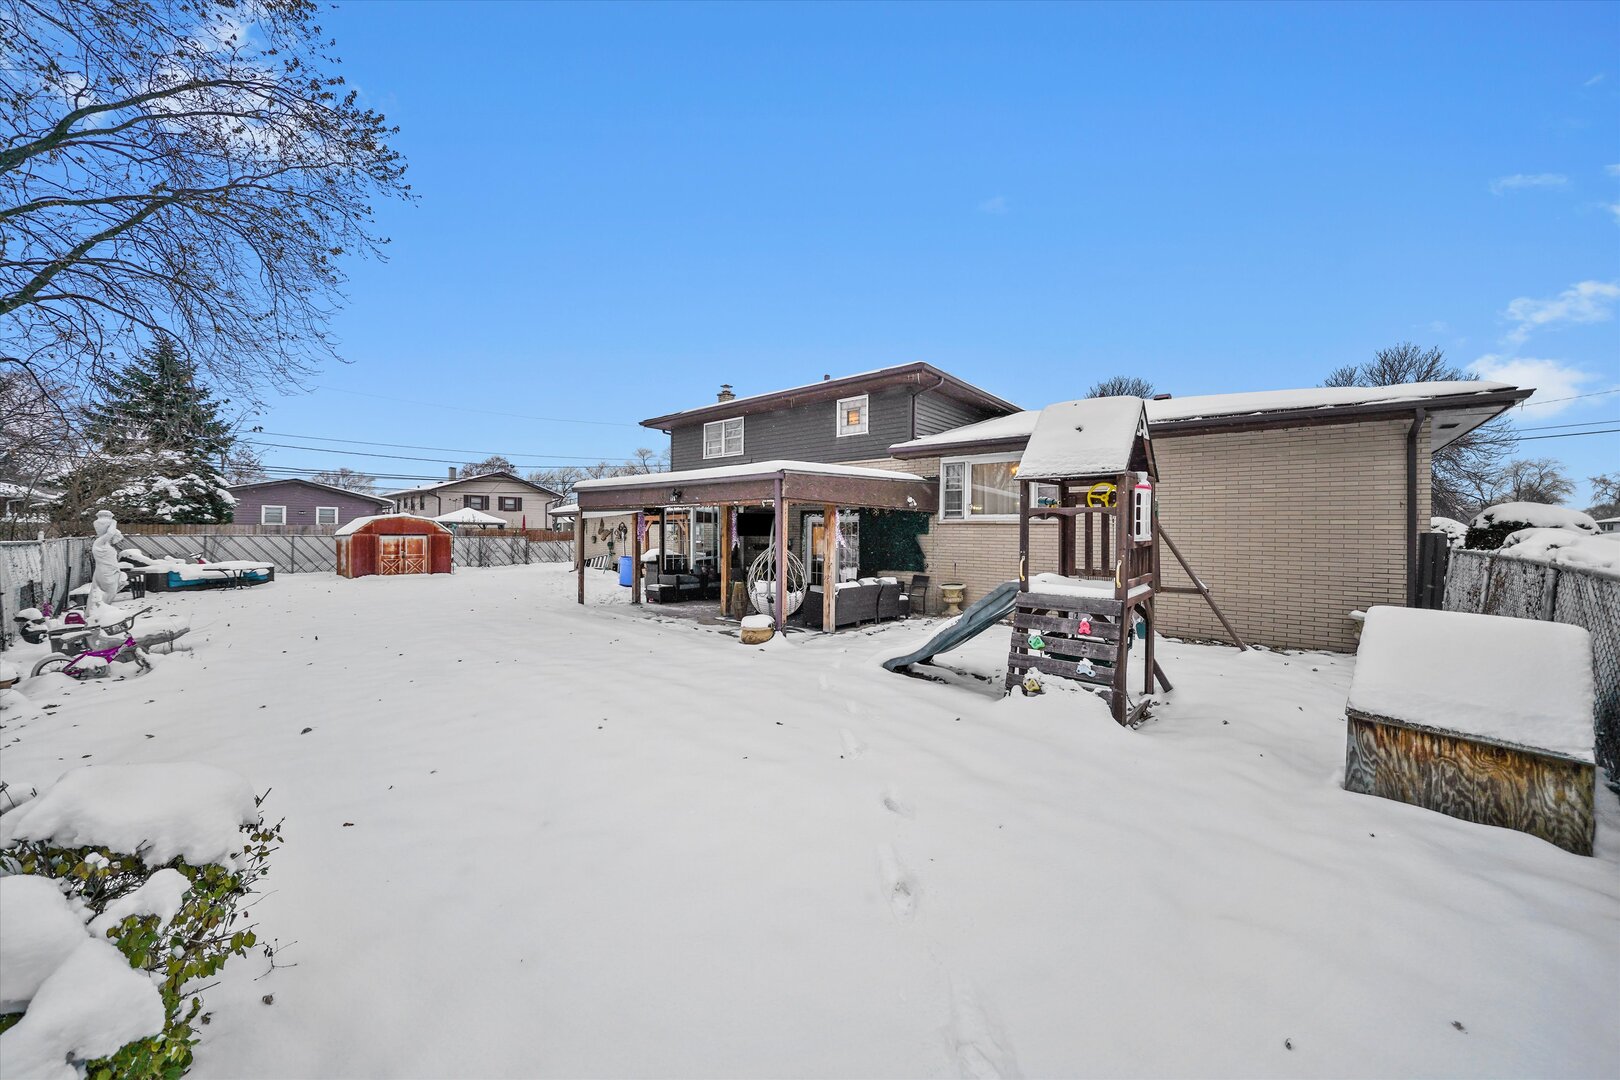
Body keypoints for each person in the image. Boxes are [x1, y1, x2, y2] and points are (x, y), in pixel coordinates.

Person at [87, 510, 126, 612]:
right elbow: (110, 532)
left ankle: (101, 610)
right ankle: (99, 610)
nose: (117, 541)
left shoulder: (105, 544)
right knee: (109, 592)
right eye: (117, 538)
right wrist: (113, 522)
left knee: (108, 593)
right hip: (105, 572)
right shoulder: (101, 542)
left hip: (109, 571)